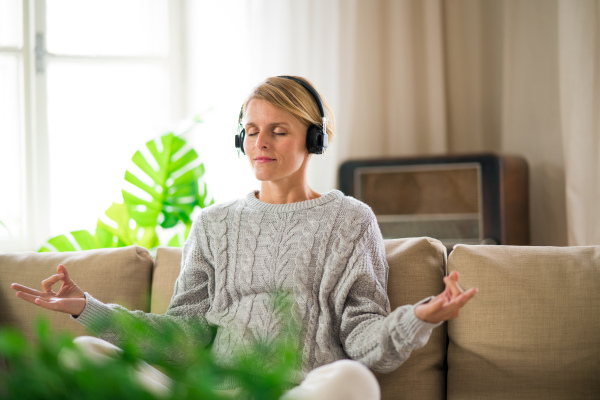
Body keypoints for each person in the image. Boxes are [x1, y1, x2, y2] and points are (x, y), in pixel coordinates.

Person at [11, 76, 477, 400]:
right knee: (84, 353)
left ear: (314, 140)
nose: (261, 143)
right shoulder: (214, 223)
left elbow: (361, 338)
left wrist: (419, 317)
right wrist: (84, 307)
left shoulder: (351, 220)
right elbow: (185, 337)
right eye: (251, 132)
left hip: (302, 389)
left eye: (279, 131)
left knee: (354, 382)